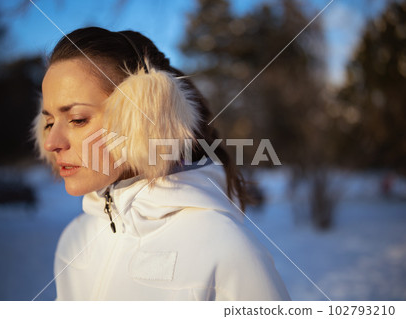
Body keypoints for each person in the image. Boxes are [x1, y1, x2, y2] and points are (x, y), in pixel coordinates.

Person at [33, 26, 290, 301]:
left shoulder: (227, 251)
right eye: (48, 122)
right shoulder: (75, 240)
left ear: (142, 118)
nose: (51, 142)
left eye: (77, 119)